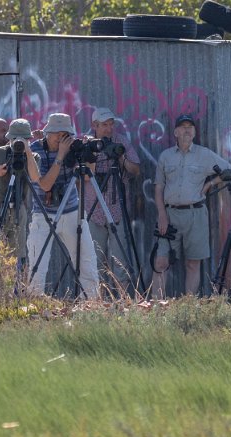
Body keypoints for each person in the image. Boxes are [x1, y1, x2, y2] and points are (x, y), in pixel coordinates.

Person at [150, 114, 231, 299]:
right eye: (183, 127)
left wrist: (210, 184)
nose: (187, 130)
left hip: (195, 215)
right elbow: (159, 187)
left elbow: (229, 171)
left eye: (190, 127)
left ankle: (188, 307)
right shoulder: (166, 156)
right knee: (161, 261)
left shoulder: (204, 155)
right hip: (169, 216)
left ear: (194, 132)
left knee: (193, 263)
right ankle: (156, 308)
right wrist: (162, 214)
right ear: (175, 132)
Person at [27, 113, 99, 298]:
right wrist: (60, 156)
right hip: (43, 214)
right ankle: (34, 308)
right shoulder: (35, 151)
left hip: (71, 212)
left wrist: (88, 154)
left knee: (86, 261)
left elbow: (87, 175)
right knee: (38, 264)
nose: (60, 138)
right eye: (56, 134)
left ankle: (91, 305)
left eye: (64, 134)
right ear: (47, 133)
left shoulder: (72, 148)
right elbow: (44, 185)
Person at [83, 107, 142, 297]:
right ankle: (99, 304)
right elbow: (83, 177)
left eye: (111, 124)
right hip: (94, 211)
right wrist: (91, 152)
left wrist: (120, 156)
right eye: (104, 125)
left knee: (120, 263)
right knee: (95, 262)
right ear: (94, 125)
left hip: (117, 210)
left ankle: (124, 302)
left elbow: (136, 170)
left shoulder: (121, 141)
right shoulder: (86, 143)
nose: (109, 129)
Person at [0, 119, 40, 261]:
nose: (18, 143)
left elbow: (35, 178)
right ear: (9, 138)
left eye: (23, 139)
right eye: (15, 139)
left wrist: (27, 151)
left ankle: (8, 283)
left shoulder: (33, 157)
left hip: (18, 209)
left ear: (29, 139)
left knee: (13, 258)